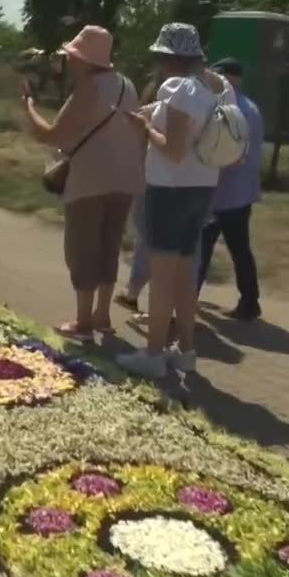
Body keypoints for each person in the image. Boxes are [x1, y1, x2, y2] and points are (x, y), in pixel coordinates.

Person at [116, 23, 228, 379]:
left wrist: (144, 130)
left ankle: (153, 352)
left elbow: (174, 149)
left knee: (162, 275)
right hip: (201, 188)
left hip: (170, 189)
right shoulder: (211, 90)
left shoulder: (180, 89)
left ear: (170, 58)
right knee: (183, 274)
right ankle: (186, 350)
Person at [24, 26, 143, 340]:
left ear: (86, 60)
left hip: (90, 179)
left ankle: (82, 321)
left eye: (74, 56)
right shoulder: (127, 86)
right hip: (125, 180)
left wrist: (30, 107)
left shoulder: (88, 90)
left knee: (82, 249)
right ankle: (102, 315)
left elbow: (50, 134)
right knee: (109, 247)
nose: (70, 62)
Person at [198, 57, 266, 321]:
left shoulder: (224, 106)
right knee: (240, 249)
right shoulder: (251, 106)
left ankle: (183, 302)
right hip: (243, 192)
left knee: (200, 249)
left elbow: (221, 155)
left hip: (220, 192)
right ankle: (250, 301)